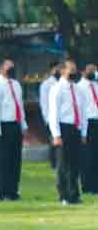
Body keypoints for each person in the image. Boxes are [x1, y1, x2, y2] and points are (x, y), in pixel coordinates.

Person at [0, 60, 27, 201]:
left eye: (12, 67)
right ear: (1, 69)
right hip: (3, 125)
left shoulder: (16, 84)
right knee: (3, 161)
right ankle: (3, 192)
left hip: (15, 124)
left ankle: (13, 190)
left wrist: (23, 125)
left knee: (15, 160)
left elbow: (20, 105)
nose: (11, 69)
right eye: (8, 67)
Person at [48, 60, 85, 205]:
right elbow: (54, 113)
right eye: (71, 69)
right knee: (64, 163)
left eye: (75, 69)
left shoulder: (77, 89)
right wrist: (56, 134)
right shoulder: (57, 89)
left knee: (75, 163)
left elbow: (82, 111)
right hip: (63, 128)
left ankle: (74, 194)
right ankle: (64, 195)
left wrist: (83, 131)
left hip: (75, 127)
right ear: (62, 71)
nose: (73, 72)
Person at [78, 64, 98, 194]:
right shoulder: (80, 87)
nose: (94, 72)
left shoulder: (96, 85)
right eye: (91, 70)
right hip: (88, 123)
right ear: (83, 71)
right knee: (88, 156)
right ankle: (87, 185)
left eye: (95, 70)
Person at [40, 63, 62, 168]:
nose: (59, 70)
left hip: (62, 118)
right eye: (57, 68)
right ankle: (54, 163)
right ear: (52, 70)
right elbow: (44, 103)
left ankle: (60, 162)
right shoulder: (46, 84)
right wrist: (47, 119)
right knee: (53, 142)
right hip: (51, 118)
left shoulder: (62, 83)